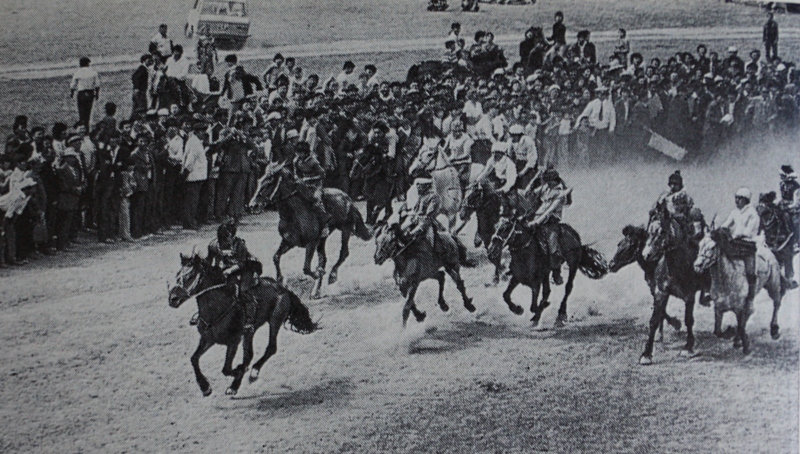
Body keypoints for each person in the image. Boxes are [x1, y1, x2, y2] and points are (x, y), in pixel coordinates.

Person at [207, 220, 260, 334]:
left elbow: (242, 263)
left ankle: (249, 320)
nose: (224, 242)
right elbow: (210, 261)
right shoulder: (213, 245)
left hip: (246, 267)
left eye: (226, 238)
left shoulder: (240, 244)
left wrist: (229, 271)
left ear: (232, 236)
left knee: (242, 291)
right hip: (227, 269)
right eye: (221, 238)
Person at [525, 168, 571, 285]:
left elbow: (549, 211)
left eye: (548, 181)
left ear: (554, 180)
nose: (546, 183)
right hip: (537, 218)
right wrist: (531, 184)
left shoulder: (560, 193)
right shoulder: (546, 187)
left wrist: (537, 222)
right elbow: (532, 193)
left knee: (553, 249)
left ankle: (556, 273)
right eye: (546, 181)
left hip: (550, 222)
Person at [719, 187, 760, 309]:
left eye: (739, 198)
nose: (736, 201)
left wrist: (733, 235)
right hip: (734, 243)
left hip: (747, 245)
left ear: (745, 200)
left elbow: (748, 232)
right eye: (736, 198)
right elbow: (726, 224)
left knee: (750, 272)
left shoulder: (753, 214)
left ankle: (750, 297)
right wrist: (720, 230)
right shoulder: (734, 212)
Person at [292, 141, 331, 237]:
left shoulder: (313, 162)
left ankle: (325, 223)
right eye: (297, 152)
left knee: (316, 199)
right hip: (304, 185)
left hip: (316, 184)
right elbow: (296, 173)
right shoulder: (296, 161)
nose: (298, 154)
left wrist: (311, 179)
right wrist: (298, 178)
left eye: (300, 152)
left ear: (306, 153)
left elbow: (322, 174)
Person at [475, 142, 516, 216]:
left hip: (507, 184)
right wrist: (477, 180)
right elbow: (486, 172)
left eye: (497, 153)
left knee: (503, 198)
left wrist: (503, 190)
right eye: (493, 153)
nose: (494, 155)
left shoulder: (509, 164)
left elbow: (511, 181)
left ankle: (506, 213)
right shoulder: (492, 160)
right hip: (497, 181)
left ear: (502, 153)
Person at [70, 57, 100, 128]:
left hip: (82, 93)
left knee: (81, 112)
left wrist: (72, 93)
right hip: (90, 93)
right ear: (88, 63)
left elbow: (73, 85)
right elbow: (97, 85)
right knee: (88, 112)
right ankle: (87, 128)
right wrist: (97, 94)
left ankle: (82, 127)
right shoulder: (93, 72)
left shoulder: (78, 72)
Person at [779, 165, 800, 252]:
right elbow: (782, 198)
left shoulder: (796, 186)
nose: (780, 178)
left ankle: (796, 242)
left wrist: (788, 207)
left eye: (782, 176)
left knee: (795, 222)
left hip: (793, 209)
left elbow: (796, 202)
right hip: (784, 207)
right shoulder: (782, 184)